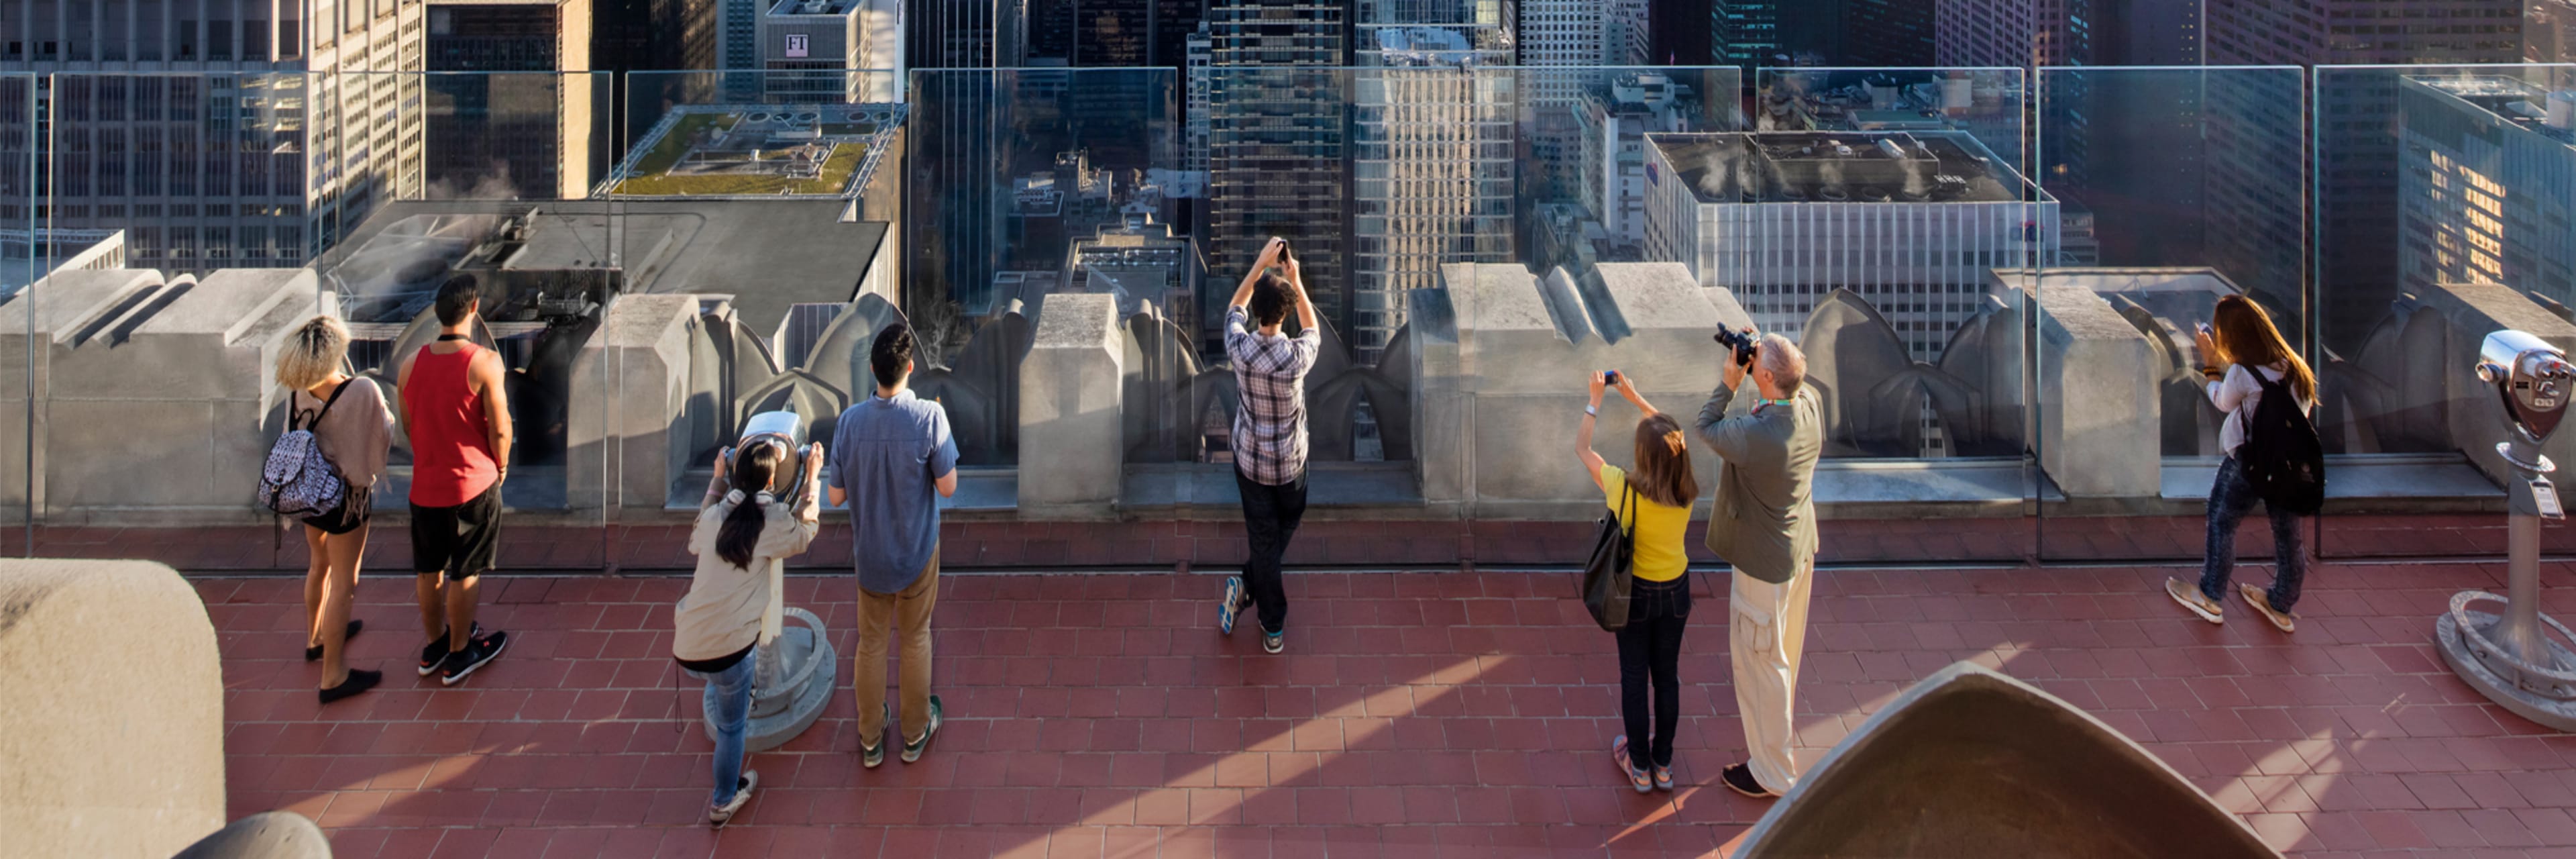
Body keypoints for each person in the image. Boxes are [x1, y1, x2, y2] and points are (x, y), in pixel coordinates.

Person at [1694, 330, 1823, 800]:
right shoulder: (1808, 406)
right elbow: (1791, 380)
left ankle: (1773, 772)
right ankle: (1775, 755)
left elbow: (1706, 427)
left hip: (1763, 568)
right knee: (1782, 657)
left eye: (1757, 363)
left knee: (1762, 666)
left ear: (1764, 376)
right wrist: (1764, 354)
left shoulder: (1757, 436)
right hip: (1798, 552)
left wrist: (1730, 382)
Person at [828, 323, 959, 769]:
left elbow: (835, 496)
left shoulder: (848, 423)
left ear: (872, 369)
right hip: (916, 552)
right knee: (916, 637)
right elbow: (947, 487)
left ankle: (870, 737)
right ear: (910, 367)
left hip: (870, 556)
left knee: (870, 644)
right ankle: (914, 731)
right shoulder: (928, 417)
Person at [674, 438, 824, 827]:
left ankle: (729, 689)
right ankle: (724, 799)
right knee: (732, 727)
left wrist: (715, 482)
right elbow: (805, 532)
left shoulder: (714, 520)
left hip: (689, 643)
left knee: (724, 686)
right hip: (731, 650)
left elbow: (694, 539)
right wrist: (812, 477)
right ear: (772, 478)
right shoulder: (771, 524)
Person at [1578, 369, 1701, 794]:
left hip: (1636, 595)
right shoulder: (1686, 488)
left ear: (1642, 456)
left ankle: (1639, 764)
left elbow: (1582, 449)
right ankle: (1664, 764)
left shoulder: (1623, 488)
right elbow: (1677, 439)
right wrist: (1638, 399)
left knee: (1634, 676)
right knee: (1667, 676)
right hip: (1677, 590)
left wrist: (1597, 399)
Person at [2167, 295, 2316, 634]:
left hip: (2249, 463)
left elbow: (2221, 400)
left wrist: (2208, 362)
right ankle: (2280, 606)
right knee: (2289, 538)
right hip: (2292, 466)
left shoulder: (2241, 372)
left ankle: (2210, 597)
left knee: (2223, 522)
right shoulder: (2293, 364)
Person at [400, 274, 512, 687]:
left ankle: (434, 646)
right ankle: (461, 653)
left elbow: (411, 427)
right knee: (466, 570)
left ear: (438, 313)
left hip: (425, 486)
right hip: (471, 485)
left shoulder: (411, 365)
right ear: (475, 308)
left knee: (428, 569)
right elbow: (500, 428)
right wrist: (501, 464)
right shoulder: (484, 362)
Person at [278, 316, 397, 704]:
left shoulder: (299, 389)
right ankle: (333, 675)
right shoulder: (361, 389)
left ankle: (315, 639)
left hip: (311, 492)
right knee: (345, 584)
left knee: (319, 565)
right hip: (347, 497)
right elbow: (385, 430)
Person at [1214, 237, 1322, 655]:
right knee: (1281, 529)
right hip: (1291, 465)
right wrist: (1294, 280)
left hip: (1250, 464)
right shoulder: (1297, 357)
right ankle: (1271, 623)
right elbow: (1311, 327)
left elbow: (1232, 310)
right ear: (1284, 311)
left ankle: (1247, 587)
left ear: (1259, 310)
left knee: (1264, 540)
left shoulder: (1240, 350)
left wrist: (1260, 265)